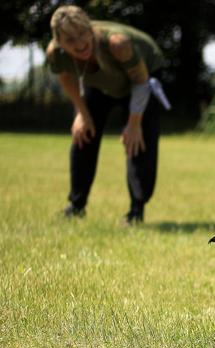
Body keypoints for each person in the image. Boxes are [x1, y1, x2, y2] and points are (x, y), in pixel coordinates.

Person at [46, 5, 169, 224]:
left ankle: (136, 211)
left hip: (141, 79)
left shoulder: (117, 43)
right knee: (83, 135)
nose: (80, 44)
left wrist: (133, 124)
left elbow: (140, 82)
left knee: (138, 142)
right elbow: (66, 77)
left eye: (83, 34)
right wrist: (81, 113)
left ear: (90, 29)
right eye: (70, 40)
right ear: (59, 42)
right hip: (101, 84)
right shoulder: (56, 53)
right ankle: (76, 206)